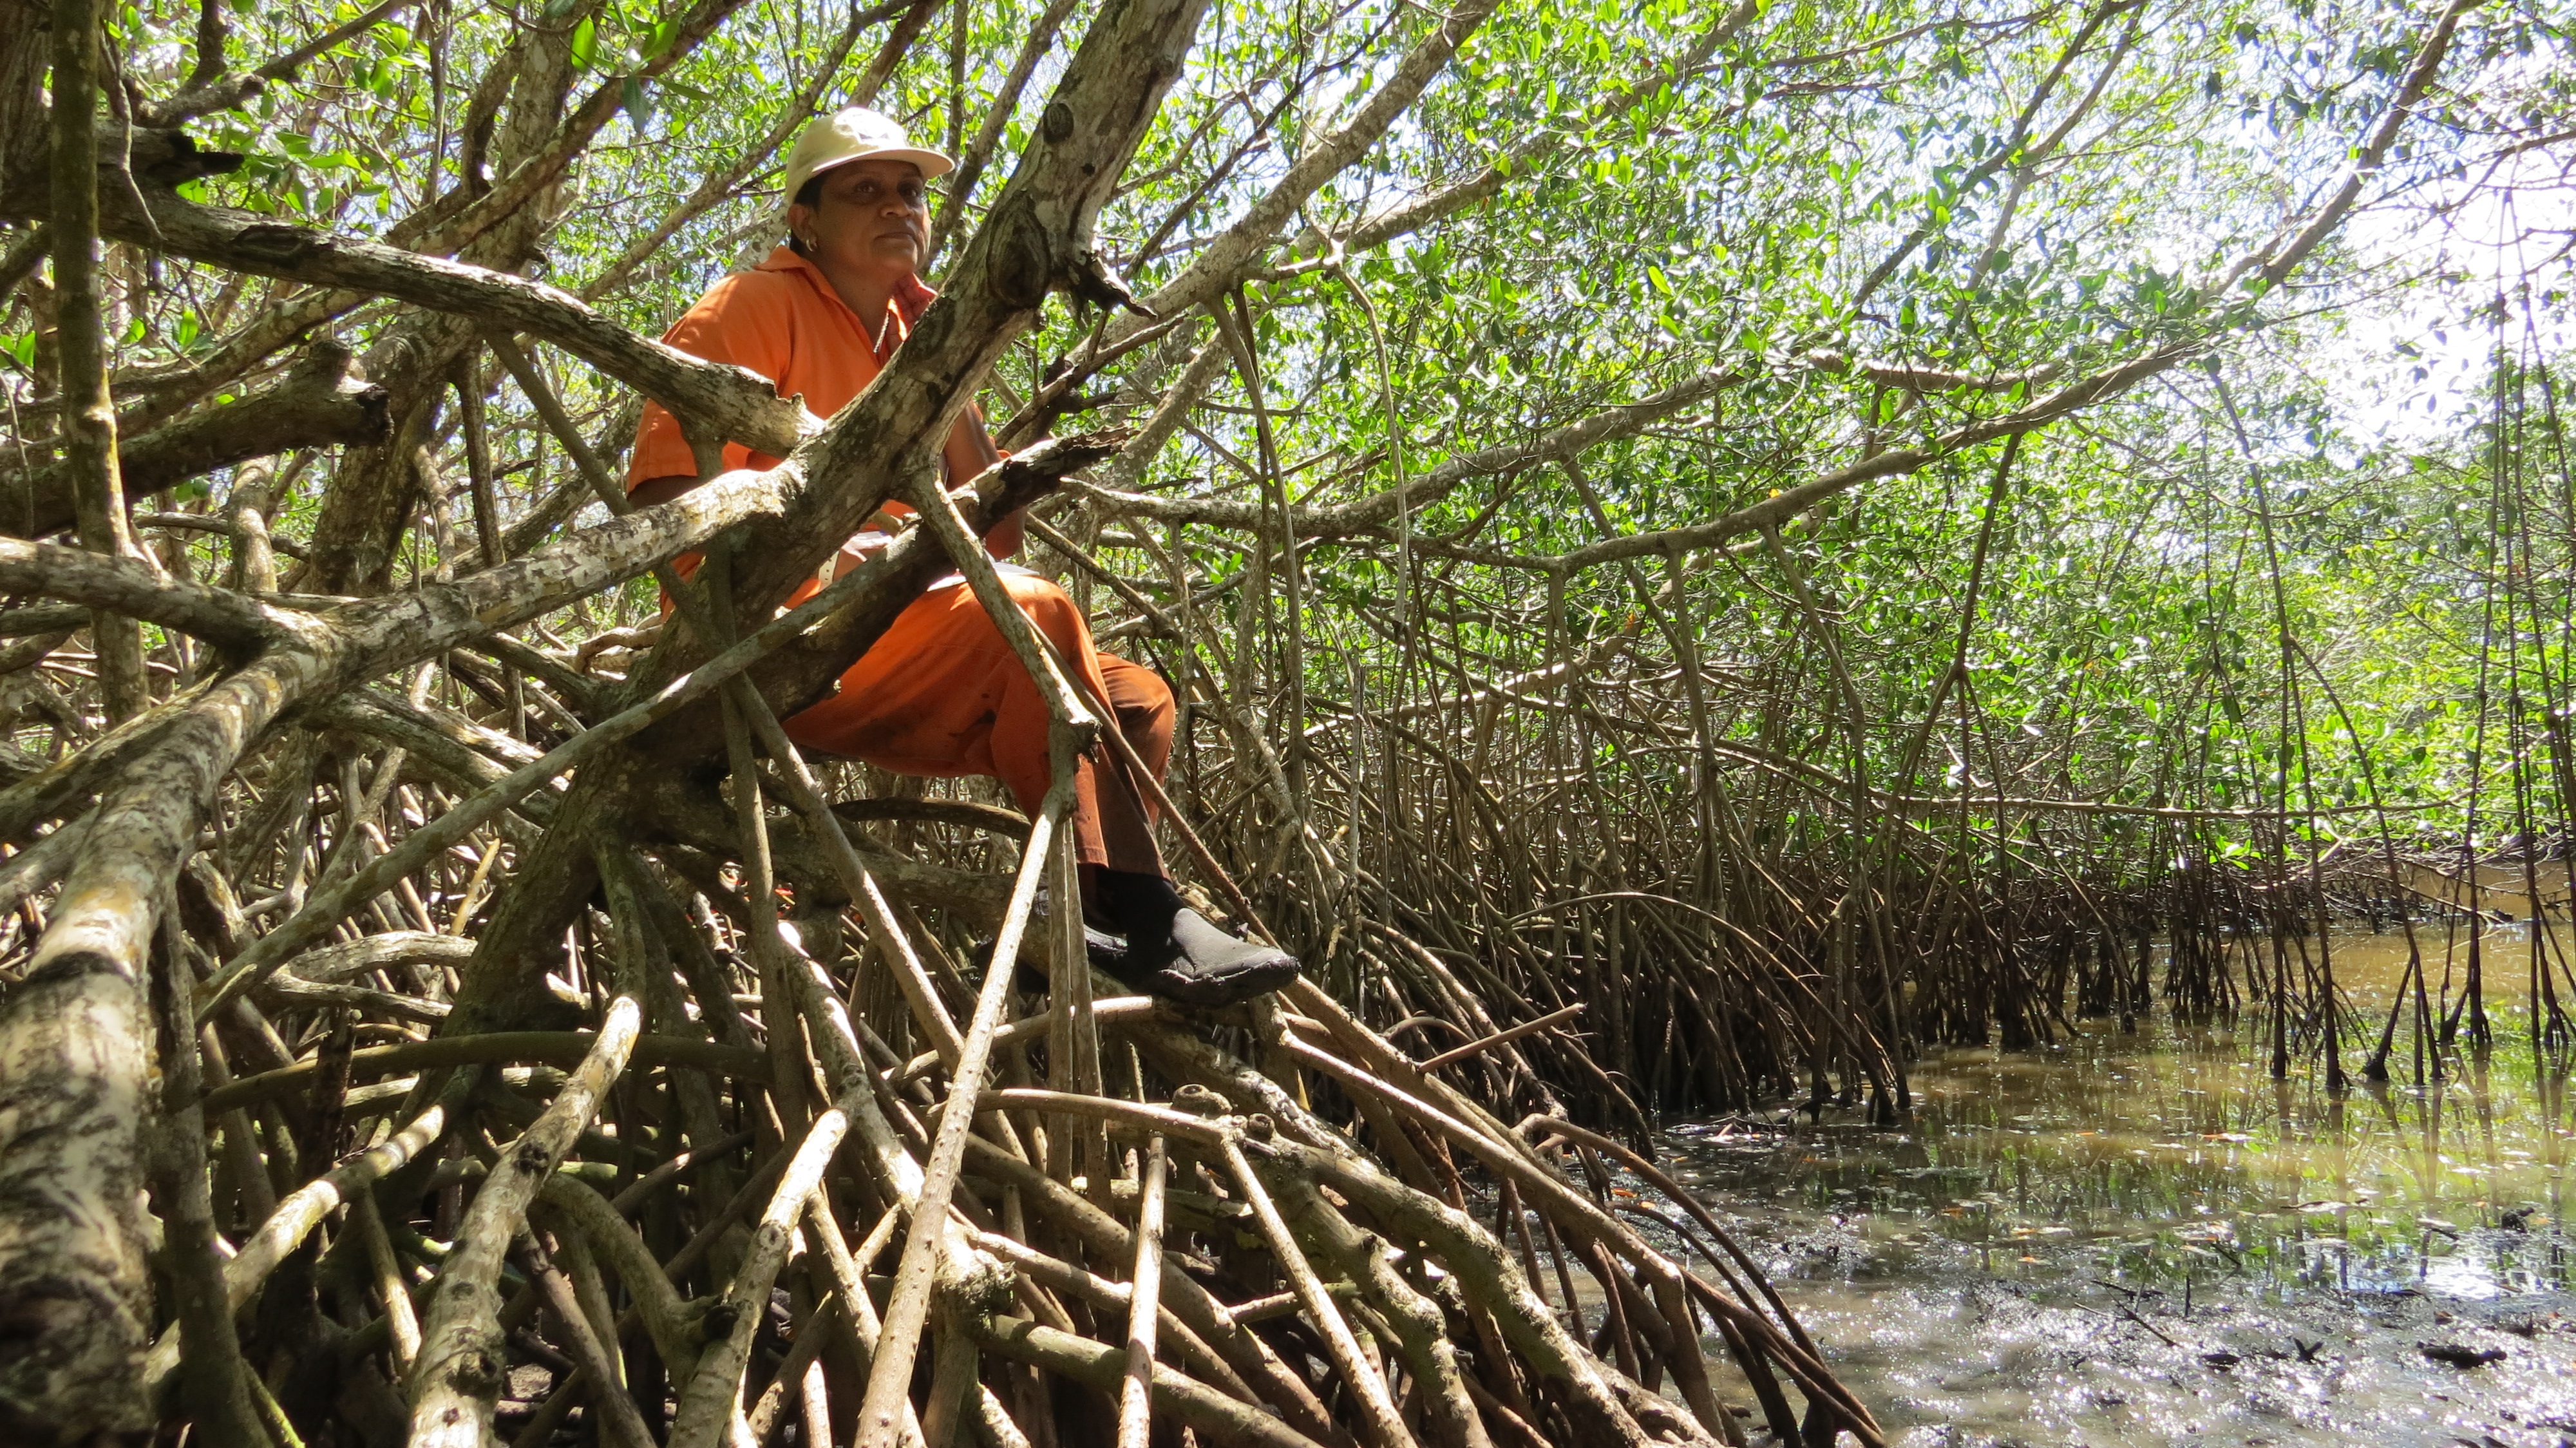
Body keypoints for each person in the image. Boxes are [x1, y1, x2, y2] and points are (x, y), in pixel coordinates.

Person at [627, 107, 1297, 1008]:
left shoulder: (917, 340)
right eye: (864, 190)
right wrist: (821, 550)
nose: (897, 206)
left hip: (906, 642)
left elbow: (999, 538)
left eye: (910, 191)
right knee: (1038, 610)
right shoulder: (752, 306)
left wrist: (958, 363)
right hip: (770, 644)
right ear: (806, 219)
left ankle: (1049, 935)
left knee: (1138, 702)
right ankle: (1144, 915)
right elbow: (664, 501)